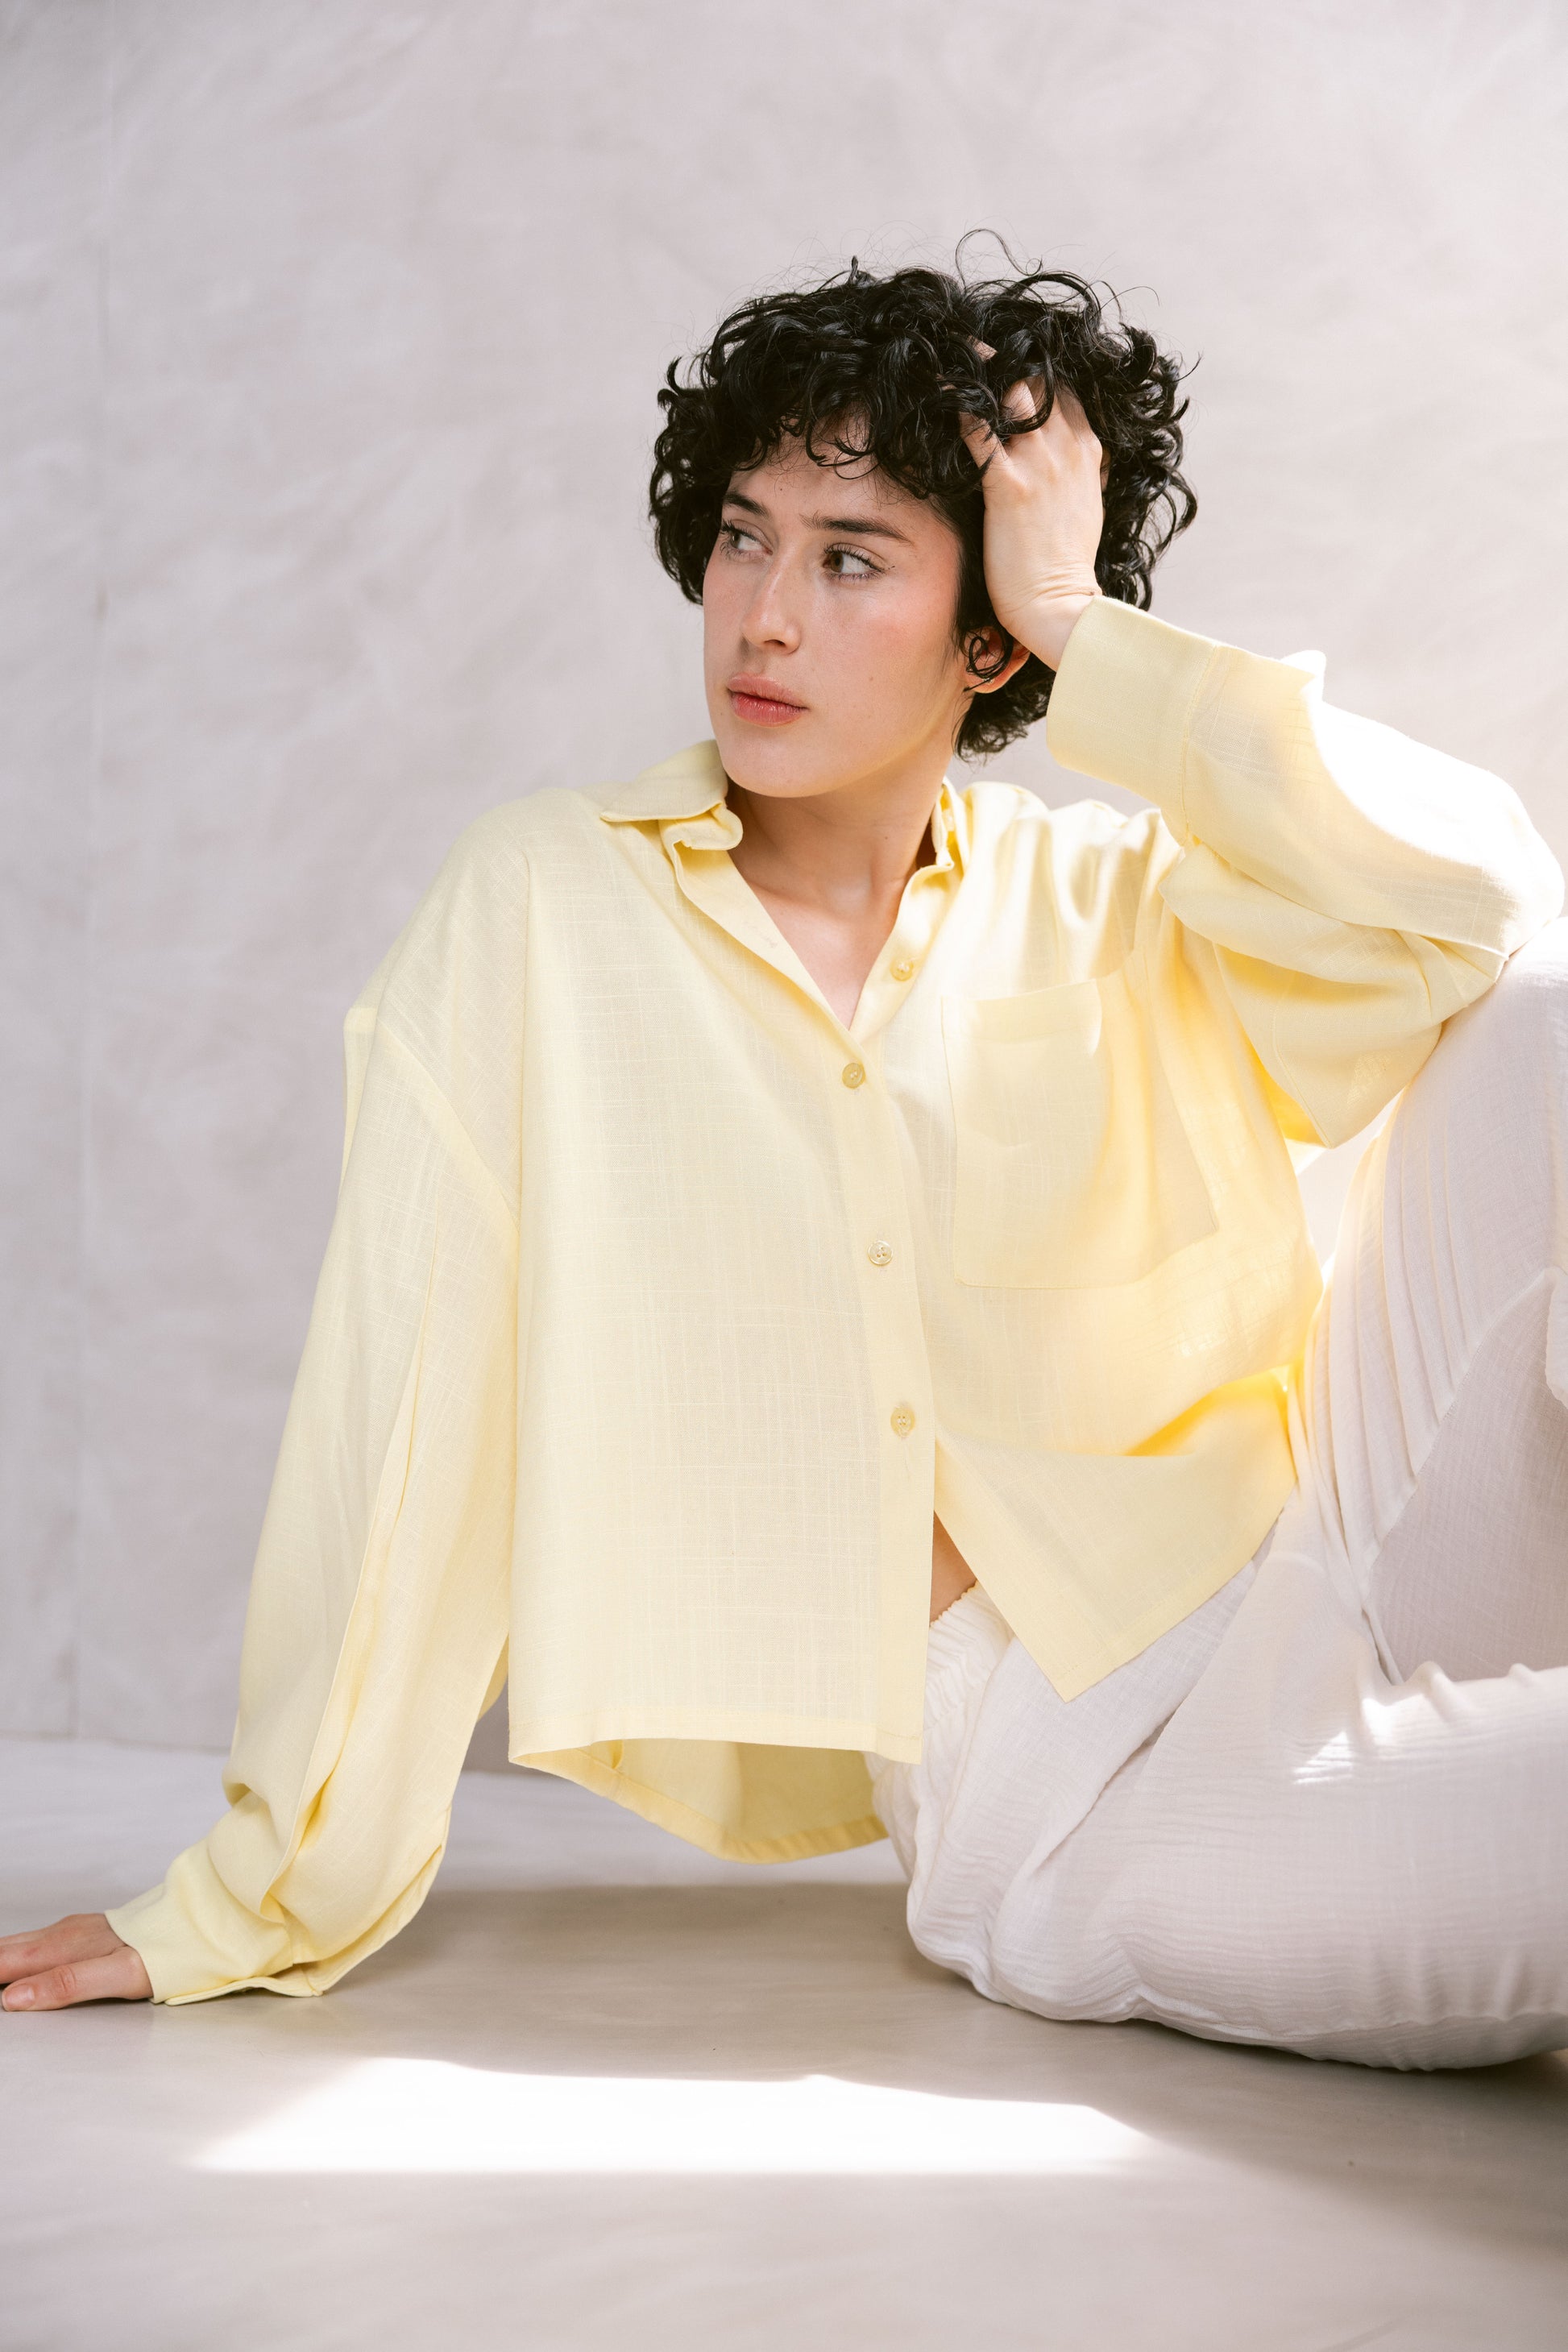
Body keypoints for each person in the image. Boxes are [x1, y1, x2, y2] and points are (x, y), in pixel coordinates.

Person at [4, 254, 1565, 2068]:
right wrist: (250, 1895)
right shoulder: (545, 905)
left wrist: (1087, 624)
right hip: (1075, 1786)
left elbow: (1481, 903)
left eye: (849, 558)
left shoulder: (1115, 897)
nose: (759, 615)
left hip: (1328, 1545)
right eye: (744, 538)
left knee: (1543, 1016)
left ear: (988, 637)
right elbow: (400, 1412)